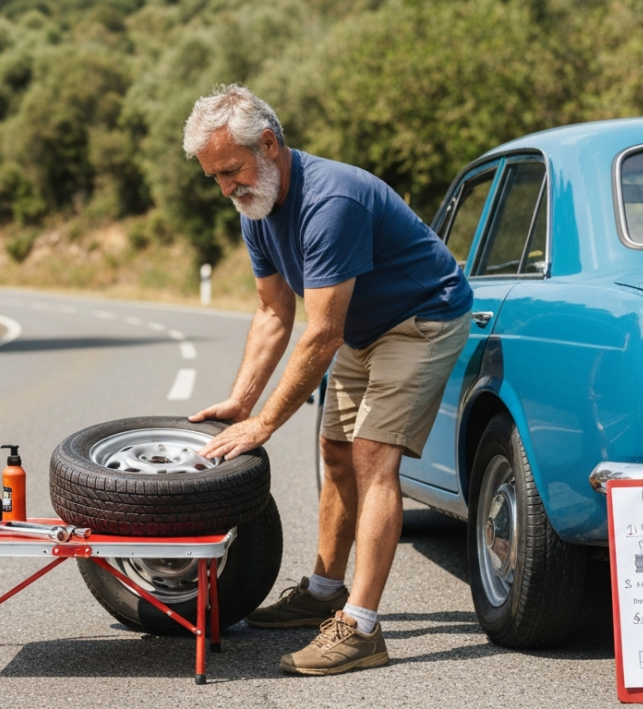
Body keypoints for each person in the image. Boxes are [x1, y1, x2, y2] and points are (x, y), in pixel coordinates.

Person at [184, 84, 474, 676]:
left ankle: (362, 628)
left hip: (422, 316)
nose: (226, 188)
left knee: (373, 458)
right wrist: (242, 402)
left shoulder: (330, 201)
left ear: (269, 144)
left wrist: (265, 423)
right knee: (335, 452)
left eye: (232, 170)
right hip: (362, 328)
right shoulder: (256, 208)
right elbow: (273, 312)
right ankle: (324, 590)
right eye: (214, 176)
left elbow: (320, 334)